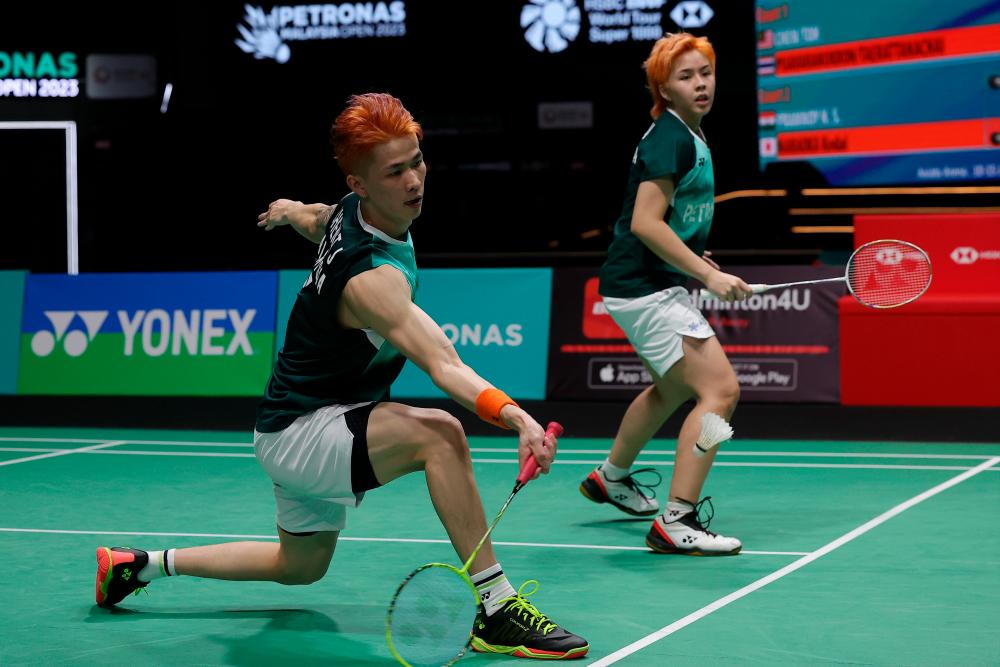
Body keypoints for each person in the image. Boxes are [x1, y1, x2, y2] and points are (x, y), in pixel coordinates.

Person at [95, 93, 589, 661]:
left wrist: (286, 210)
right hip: (303, 430)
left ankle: (139, 566)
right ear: (360, 183)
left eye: (418, 161)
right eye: (396, 171)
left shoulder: (353, 213)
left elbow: (317, 219)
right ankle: (498, 608)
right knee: (440, 435)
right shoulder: (373, 281)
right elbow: (443, 362)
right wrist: (516, 416)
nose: (414, 180)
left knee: (299, 567)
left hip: (287, 422)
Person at [578, 33, 751, 555]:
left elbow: (672, 223)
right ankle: (679, 518)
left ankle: (611, 477)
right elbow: (646, 223)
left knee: (671, 389)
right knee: (721, 391)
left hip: (646, 283)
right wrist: (705, 274)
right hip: (643, 287)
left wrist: (698, 262)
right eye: (685, 77)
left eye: (706, 72)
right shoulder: (668, 138)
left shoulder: (688, 135)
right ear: (664, 89)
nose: (700, 84)